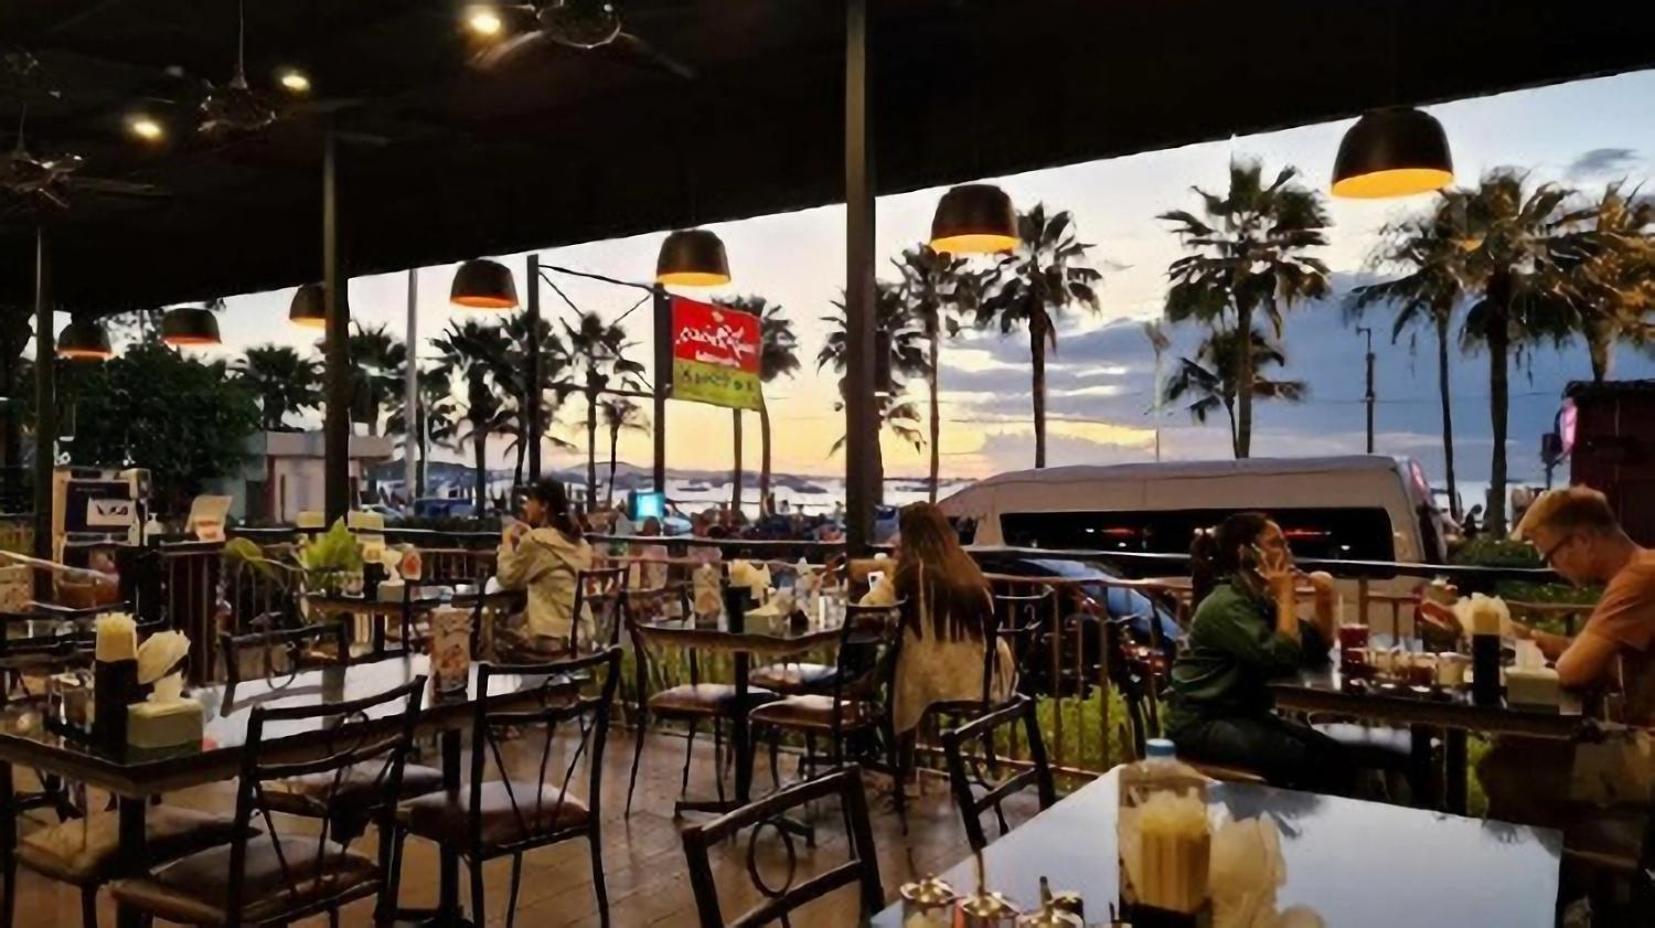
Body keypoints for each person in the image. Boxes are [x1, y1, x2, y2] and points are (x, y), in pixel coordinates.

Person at [1469, 487, 1655, 829]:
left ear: (1581, 540)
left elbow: (1571, 671)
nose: (1553, 568)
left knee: (1505, 768)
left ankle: (1567, 869)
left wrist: (1533, 646)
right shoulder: (1641, 570)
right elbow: (1589, 652)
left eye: (1550, 555)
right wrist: (1525, 636)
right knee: (1518, 748)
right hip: (1639, 735)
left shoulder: (1639, 579)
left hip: (1649, 753)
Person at [1162, 512, 1354, 794]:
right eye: (1276, 544)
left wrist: (1323, 599)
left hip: (1242, 715)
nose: (1287, 553)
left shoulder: (1257, 599)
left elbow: (1313, 647)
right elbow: (1282, 656)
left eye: (1286, 544)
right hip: (1200, 724)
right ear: (1246, 552)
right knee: (1311, 762)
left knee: (1334, 753)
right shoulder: (1226, 604)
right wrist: (1287, 596)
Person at [859, 503, 1016, 735]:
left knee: (886, 666)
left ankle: (878, 735)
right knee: (887, 664)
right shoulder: (965, 566)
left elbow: (866, 609)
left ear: (908, 535)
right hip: (984, 677)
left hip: (937, 681)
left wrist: (892, 568)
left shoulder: (912, 572)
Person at [496, 478, 594, 649]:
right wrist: (530, 537)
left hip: (552, 638)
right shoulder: (581, 544)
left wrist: (506, 545)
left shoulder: (537, 541)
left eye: (530, 501)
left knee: (493, 629)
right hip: (582, 634)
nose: (526, 507)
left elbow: (507, 578)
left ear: (544, 506)